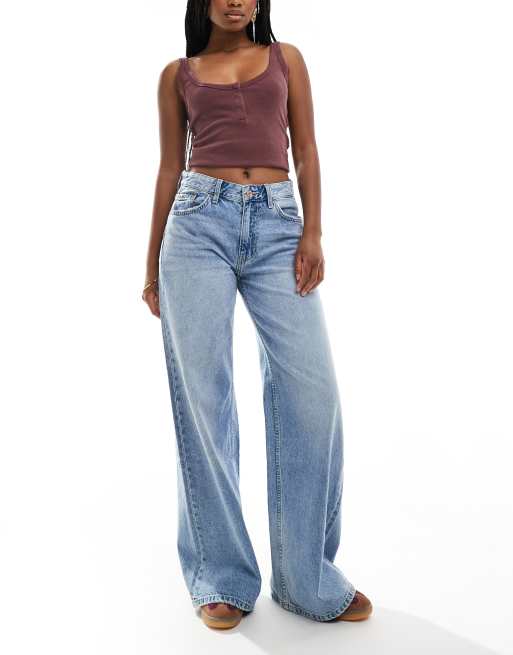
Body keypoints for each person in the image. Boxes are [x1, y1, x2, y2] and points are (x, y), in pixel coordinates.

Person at [142, 0, 372, 630]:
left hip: (278, 225)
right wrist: (150, 264)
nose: (236, 0)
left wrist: (313, 232)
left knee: (312, 393)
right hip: (196, 226)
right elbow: (168, 169)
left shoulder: (285, 58)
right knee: (204, 400)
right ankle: (220, 576)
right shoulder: (177, 74)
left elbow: (308, 152)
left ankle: (306, 578)